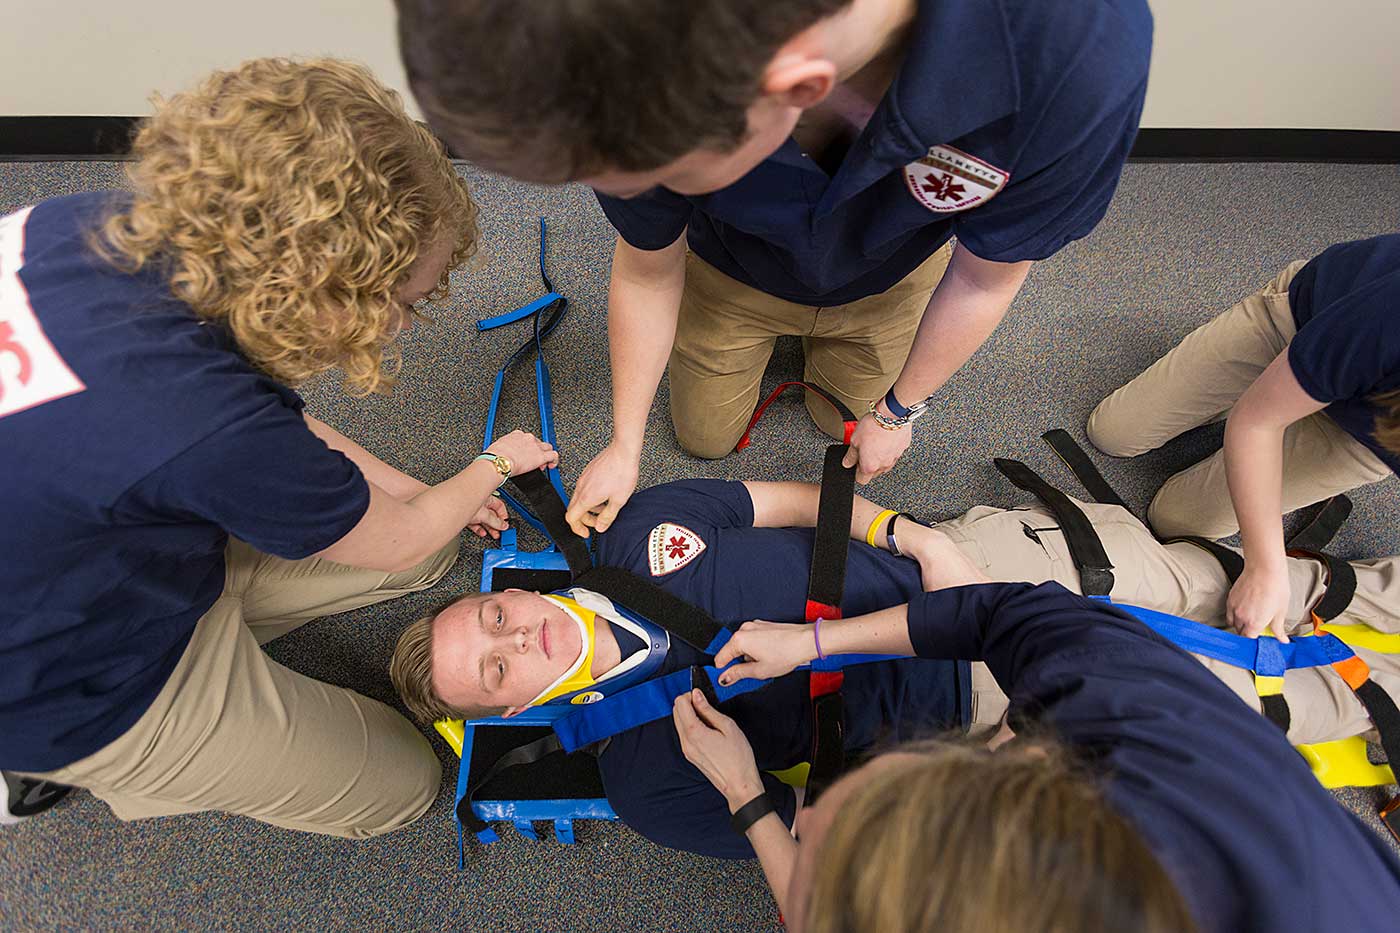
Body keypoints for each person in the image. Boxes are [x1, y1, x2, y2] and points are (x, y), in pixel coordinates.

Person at [0, 58, 558, 838]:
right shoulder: (199, 420)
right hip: (73, 687)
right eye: (402, 304)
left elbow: (246, 420)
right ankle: (46, 763)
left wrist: (409, 488)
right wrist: (495, 461)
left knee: (423, 551)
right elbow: (229, 431)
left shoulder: (77, 223)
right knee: (404, 782)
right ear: (324, 291)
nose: (402, 327)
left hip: (92, 553)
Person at [393, 0, 1154, 535]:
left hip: (892, 282)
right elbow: (648, 266)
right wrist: (624, 442)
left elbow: (987, 276)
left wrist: (900, 411)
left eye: (656, 177)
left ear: (796, 92)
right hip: (731, 279)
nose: (629, 194)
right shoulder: (619, 74)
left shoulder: (1079, 59)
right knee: (702, 439)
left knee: (846, 427)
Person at [390, 473, 1400, 858]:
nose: (513, 640)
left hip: (971, 562)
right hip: (978, 705)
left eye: (490, 616)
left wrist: (912, 534)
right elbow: (830, 850)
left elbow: (784, 503)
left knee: (1214, 580)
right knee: (1266, 699)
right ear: (511, 710)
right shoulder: (651, 780)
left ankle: (1353, 591)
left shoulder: (643, 530)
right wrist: (745, 789)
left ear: (509, 589)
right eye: (492, 672)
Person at [673, 579, 1400, 933]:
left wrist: (746, 793)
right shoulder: (1147, 721)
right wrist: (811, 641)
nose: (827, 794)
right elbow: (1005, 613)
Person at [1089, 234, 1400, 643]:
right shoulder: (1388, 318)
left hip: (1361, 433)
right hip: (1300, 324)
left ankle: (1285, 401)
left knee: (1176, 522)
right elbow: (1257, 423)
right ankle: (1262, 386)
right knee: (1113, 432)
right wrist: (1264, 566)